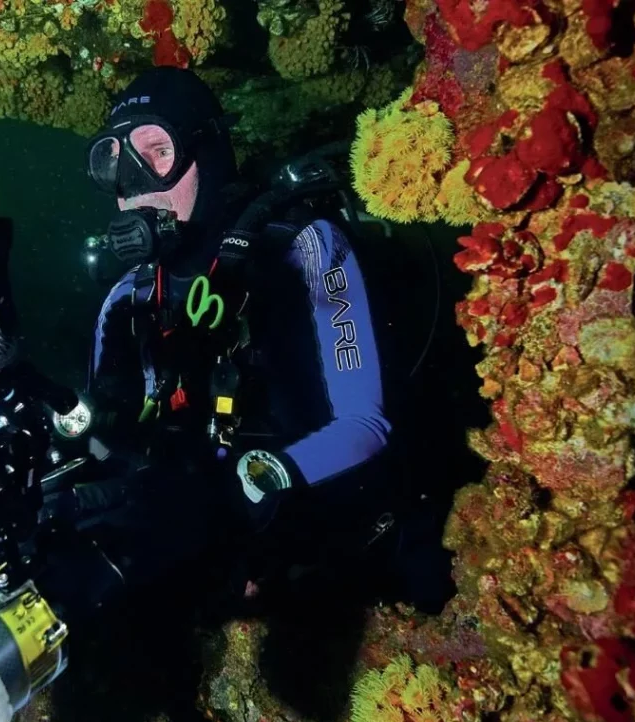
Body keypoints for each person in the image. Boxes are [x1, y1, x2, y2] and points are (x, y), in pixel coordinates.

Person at [36, 66, 390, 626]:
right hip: (191, 529)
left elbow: (365, 427)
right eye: (112, 160)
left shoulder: (304, 248)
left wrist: (263, 480)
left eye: (157, 150)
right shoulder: (125, 300)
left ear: (211, 152)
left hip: (315, 537)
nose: (135, 181)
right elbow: (106, 436)